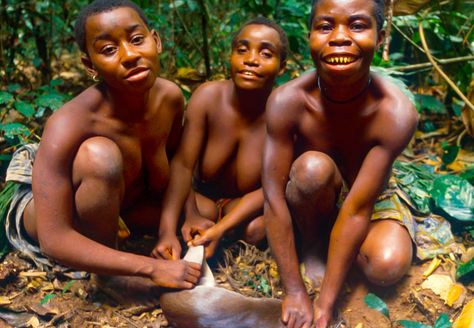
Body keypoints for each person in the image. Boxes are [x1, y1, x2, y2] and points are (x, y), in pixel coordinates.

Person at [3, 0, 201, 300]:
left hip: (123, 203)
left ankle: (115, 242)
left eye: (137, 40)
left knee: (209, 214)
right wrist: (148, 267)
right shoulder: (70, 123)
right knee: (100, 156)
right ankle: (107, 276)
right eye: (109, 50)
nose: (130, 55)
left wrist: (177, 224)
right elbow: (54, 239)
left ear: (156, 41)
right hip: (50, 210)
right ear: (89, 65)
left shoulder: (170, 98)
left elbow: (178, 167)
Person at [262, 0, 419, 327]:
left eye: (358, 25)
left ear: (381, 37)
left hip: (368, 197)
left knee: (387, 265)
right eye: (325, 26)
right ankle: (315, 246)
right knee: (311, 170)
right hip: (315, 195)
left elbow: (359, 208)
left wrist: (326, 301)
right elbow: (273, 197)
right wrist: (294, 290)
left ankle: (340, 254)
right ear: (309, 37)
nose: (339, 37)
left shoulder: (396, 113)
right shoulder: (287, 101)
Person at [153, 17, 288, 260]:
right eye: (242, 50)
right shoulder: (208, 97)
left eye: (266, 54)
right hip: (201, 200)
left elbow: (271, 188)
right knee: (173, 202)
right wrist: (176, 224)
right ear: (231, 56)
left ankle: (222, 234)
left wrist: (219, 228)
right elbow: (182, 166)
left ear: (281, 67)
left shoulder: (284, 112)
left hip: (242, 206)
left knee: (255, 230)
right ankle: (206, 229)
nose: (251, 60)